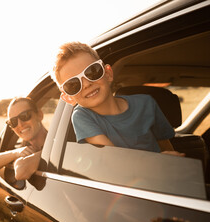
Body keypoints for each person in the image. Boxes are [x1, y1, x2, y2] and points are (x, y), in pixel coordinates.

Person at [52, 41, 184, 156]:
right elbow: (114, 159)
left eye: (92, 71)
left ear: (108, 73)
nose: (86, 84)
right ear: (69, 98)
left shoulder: (146, 104)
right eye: (73, 85)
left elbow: (166, 148)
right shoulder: (82, 116)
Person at [0, 97, 48, 180]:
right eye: (13, 122)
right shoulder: (23, 149)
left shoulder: (59, 144)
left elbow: (21, 172)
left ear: (39, 115)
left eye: (25, 116)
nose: (20, 124)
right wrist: (16, 153)